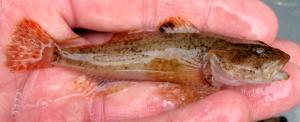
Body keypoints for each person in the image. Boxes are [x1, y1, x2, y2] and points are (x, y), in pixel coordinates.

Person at [0, 0, 300, 122]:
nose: (264, 63)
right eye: (257, 57)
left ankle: (53, 54)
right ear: (220, 59)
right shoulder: (208, 63)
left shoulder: (212, 61)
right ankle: (50, 54)